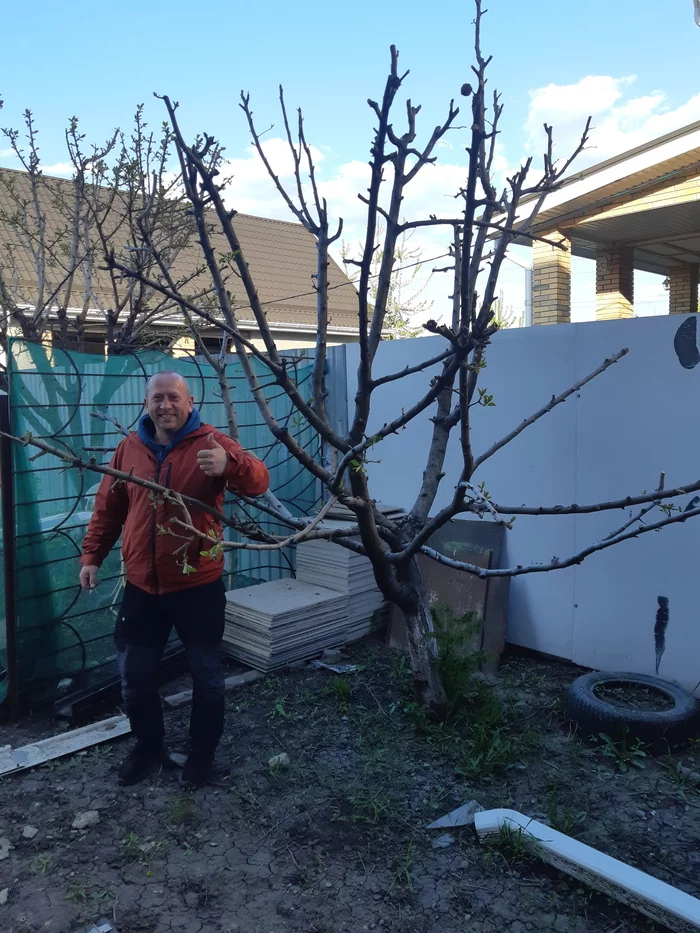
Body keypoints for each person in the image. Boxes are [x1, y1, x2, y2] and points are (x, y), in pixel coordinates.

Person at [79, 371, 269, 788]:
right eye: (157, 398)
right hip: (142, 587)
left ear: (190, 401)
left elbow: (259, 480)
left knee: (207, 678)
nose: (165, 405)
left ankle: (201, 758)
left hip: (197, 585)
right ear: (147, 403)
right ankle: (149, 747)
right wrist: (92, 556)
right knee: (135, 679)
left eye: (173, 398)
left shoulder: (212, 443)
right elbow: (108, 508)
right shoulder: (129, 448)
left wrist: (229, 464)